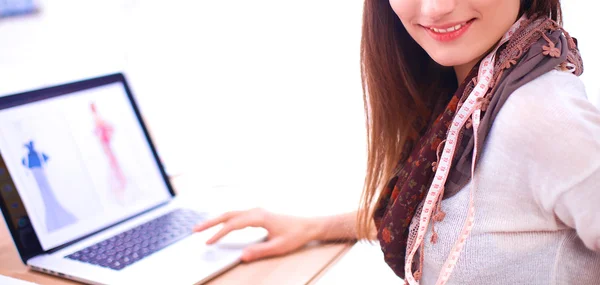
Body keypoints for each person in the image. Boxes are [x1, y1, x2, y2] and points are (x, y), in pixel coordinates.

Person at [194, 0, 600, 284]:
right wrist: (314, 227)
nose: (436, 7)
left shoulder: (541, 115)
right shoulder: (469, 86)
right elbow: (453, 214)